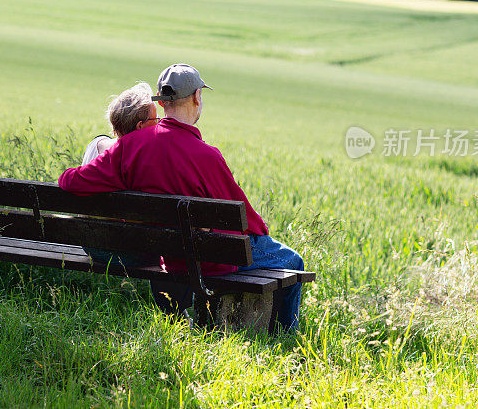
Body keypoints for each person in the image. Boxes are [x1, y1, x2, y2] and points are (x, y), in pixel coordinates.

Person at [59, 64, 306, 332]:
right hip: (214, 261)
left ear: (162, 102)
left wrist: (104, 147)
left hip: (170, 257)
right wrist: (263, 235)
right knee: (293, 263)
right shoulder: (208, 156)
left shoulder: (129, 147)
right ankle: (286, 334)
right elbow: (246, 220)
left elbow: (68, 180)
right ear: (197, 98)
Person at [80, 82, 160, 267]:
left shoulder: (95, 145)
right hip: (132, 254)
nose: (159, 124)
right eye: (156, 120)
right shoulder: (140, 161)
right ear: (141, 126)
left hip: (93, 247)